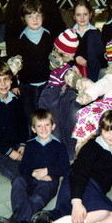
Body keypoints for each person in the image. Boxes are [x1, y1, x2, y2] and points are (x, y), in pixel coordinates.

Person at [23, 110, 112, 223]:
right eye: (107, 131)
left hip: (96, 192)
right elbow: (79, 174)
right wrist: (77, 202)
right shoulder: (92, 147)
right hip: (78, 184)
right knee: (101, 213)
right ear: (100, 130)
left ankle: (49, 219)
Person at [0, 109, 69, 223]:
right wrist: (33, 173)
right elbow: (23, 167)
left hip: (49, 181)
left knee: (35, 198)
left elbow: (65, 168)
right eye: (39, 126)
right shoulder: (30, 145)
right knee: (18, 181)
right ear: (33, 129)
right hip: (31, 177)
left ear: (53, 126)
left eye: (47, 125)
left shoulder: (59, 146)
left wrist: (47, 171)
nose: (43, 129)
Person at [11, 0, 54, 137]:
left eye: (38, 15)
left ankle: (48, 143)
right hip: (27, 86)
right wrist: (14, 84)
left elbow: (55, 59)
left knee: (46, 116)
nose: (34, 19)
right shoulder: (20, 39)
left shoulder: (48, 36)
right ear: (24, 18)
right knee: (30, 116)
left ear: (43, 17)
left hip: (46, 84)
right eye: (30, 16)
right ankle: (31, 144)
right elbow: (14, 65)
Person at [38, 29, 81, 160]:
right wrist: (71, 70)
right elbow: (60, 68)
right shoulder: (56, 59)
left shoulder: (62, 60)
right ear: (63, 52)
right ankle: (55, 156)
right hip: (51, 93)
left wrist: (71, 66)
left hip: (61, 90)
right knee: (53, 125)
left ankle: (70, 155)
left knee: (67, 121)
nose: (73, 58)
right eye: (70, 55)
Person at [72, 0, 106, 81]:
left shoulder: (96, 33)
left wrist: (107, 55)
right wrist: (75, 58)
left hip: (94, 74)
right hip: (76, 73)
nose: (82, 18)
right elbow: (65, 55)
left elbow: (101, 53)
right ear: (74, 16)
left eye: (85, 14)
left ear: (90, 15)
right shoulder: (69, 34)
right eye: (78, 15)